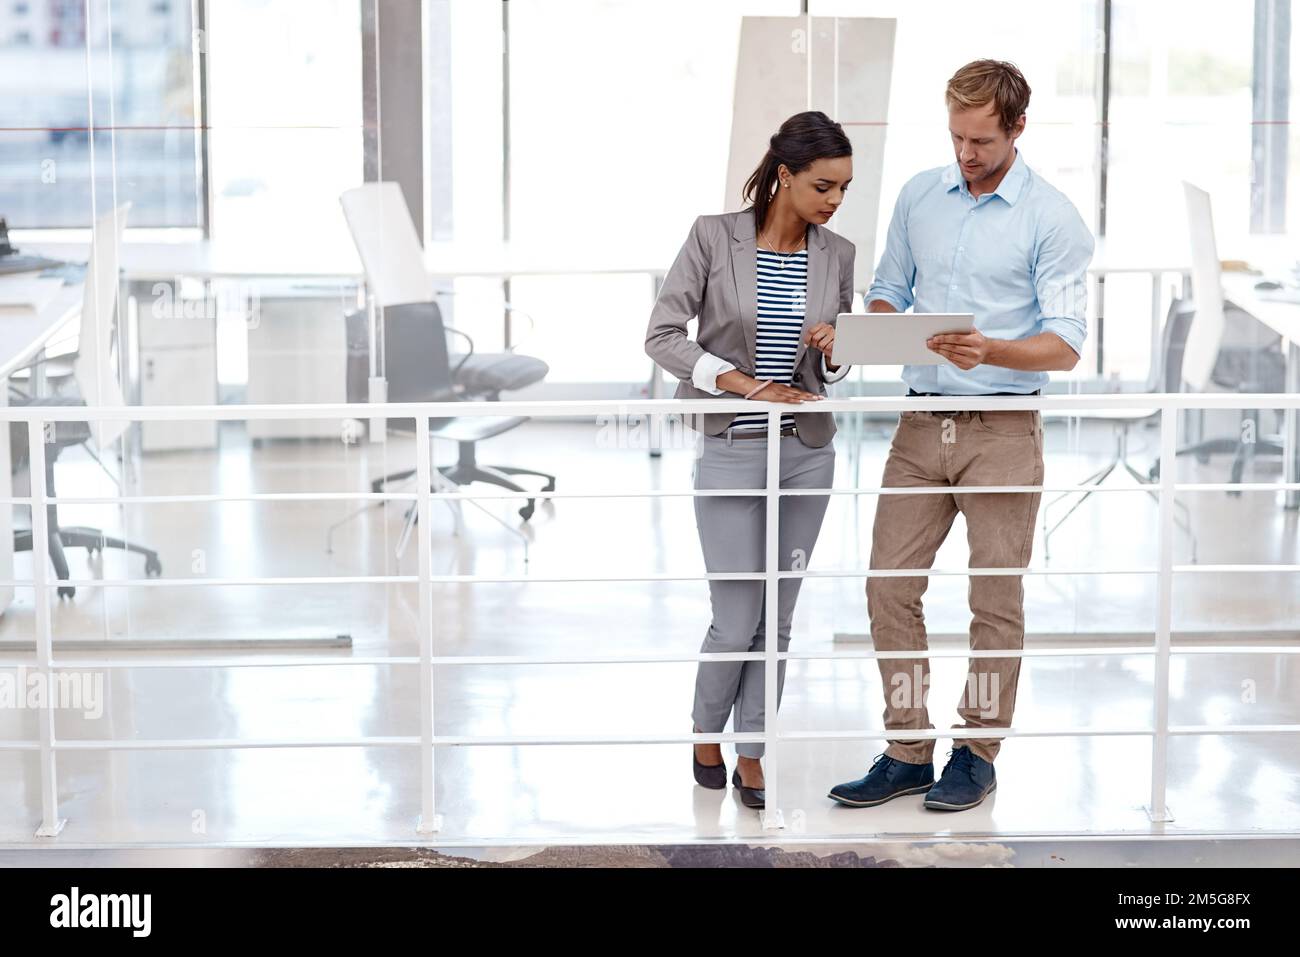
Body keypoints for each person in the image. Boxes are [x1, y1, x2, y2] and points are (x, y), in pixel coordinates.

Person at [827, 59, 1094, 812]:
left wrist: (995, 351)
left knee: (994, 597)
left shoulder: (1053, 217)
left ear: (1016, 128)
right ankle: (907, 748)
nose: (966, 153)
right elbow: (888, 289)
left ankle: (977, 750)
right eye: (956, 136)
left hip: (1005, 428)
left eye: (981, 139)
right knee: (889, 586)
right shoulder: (920, 195)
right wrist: (870, 326)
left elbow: (1067, 345)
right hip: (918, 424)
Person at [645, 111, 855, 810]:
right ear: (786, 174)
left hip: (806, 451)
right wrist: (741, 383)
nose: (832, 201)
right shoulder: (713, 236)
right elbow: (663, 334)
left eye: (843, 189)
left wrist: (836, 345)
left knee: (780, 616)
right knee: (735, 613)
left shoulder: (838, 254)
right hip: (731, 446)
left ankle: (754, 749)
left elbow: (838, 363)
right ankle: (707, 730)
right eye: (823, 185)